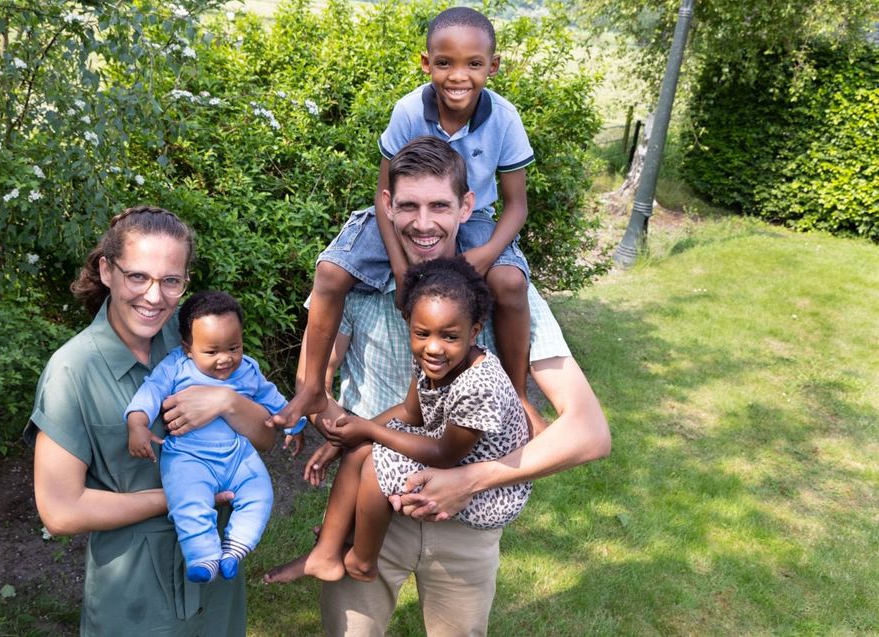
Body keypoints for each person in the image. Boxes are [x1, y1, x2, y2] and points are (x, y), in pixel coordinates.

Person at [287, 137, 611, 636]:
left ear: (466, 206)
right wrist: (343, 435)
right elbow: (316, 377)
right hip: (373, 510)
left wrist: (470, 480)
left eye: (439, 205)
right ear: (388, 206)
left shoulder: (500, 294)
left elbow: (590, 434)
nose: (423, 223)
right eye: (409, 206)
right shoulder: (357, 280)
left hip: (468, 522)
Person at [272, 6, 539, 431]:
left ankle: (519, 394)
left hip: (471, 217)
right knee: (329, 273)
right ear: (426, 62)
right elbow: (384, 198)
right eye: (445, 63)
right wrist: (401, 268)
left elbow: (517, 205)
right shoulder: (408, 111)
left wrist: (486, 256)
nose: (458, 76)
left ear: (493, 66)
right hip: (401, 213)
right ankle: (310, 386)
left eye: (474, 64)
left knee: (509, 283)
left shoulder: (505, 120)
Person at [25, 206, 275, 636]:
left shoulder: (196, 340)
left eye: (171, 281)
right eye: (137, 276)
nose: (154, 297)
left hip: (216, 582)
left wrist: (226, 403)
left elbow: (266, 439)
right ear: (107, 270)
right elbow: (60, 511)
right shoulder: (73, 371)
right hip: (136, 598)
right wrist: (182, 497)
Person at [263, 255, 532, 586]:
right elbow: (409, 412)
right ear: (411, 326)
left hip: (487, 488)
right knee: (363, 447)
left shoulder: (480, 385)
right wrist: (352, 433)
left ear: (474, 332)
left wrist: (369, 430)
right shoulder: (434, 360)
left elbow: (445, 454)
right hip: (453, 455)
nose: (434, 347)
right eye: (422, 333)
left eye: (449, 336)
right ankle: (328, 551)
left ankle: (362, 560)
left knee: (378, 458)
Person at [125, 290, 306, 583]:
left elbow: (270, 397)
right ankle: (203, 557)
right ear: (187, 347)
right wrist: (137, 424)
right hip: (189, 457)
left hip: (238, 454)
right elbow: (150, 391)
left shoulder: (247, 369)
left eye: (234, 347)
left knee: (261, 494)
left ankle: (235, 548)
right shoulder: (176, 366)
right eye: (211, 352)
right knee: (189, 500)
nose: (225, 359)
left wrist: (292, 424)